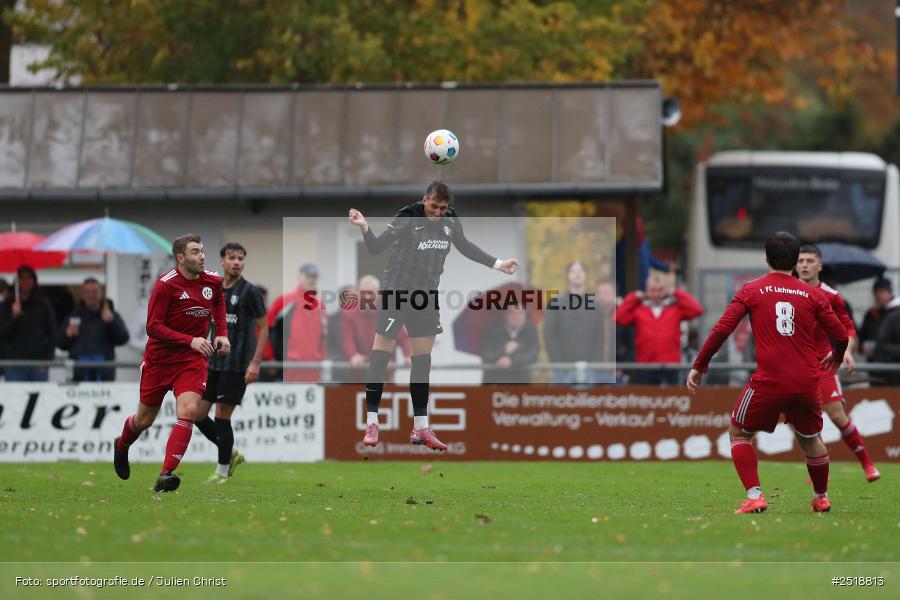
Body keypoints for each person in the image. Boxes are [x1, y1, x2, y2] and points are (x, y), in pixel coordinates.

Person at [348, 180, 519, 450]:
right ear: (425, 199)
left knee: (422, 362)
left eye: (442, 208)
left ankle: (420, 427)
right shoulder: (407, 217)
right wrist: (364, 227)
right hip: (397, 292)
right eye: (434, 206)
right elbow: (376, 248)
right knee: (381, 353)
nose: (438, 212)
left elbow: (465, 246)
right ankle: (372, 420)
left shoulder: (450, 220)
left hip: (426, 297)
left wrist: (499, 265)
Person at [687, 232, 848, 514]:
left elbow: (722, 329)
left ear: (766, 258)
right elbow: (839, 332)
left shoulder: (751, 290)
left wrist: (700, 365)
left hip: (770, 380)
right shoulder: (813, 294)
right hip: (807, 381)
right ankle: (821, 497)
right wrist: (836, 356)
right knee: (811, 440)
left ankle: (755, 495)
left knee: (738, 432)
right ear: (796, 262)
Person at [112, 234, 230, 493]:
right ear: (180, 258)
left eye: (202, 250)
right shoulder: (166, 285)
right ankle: (121, 445)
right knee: (143, 420)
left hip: (191, 361)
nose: (202, 256)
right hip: (160, 361)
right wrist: (190, 340)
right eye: (195, 252)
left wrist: (221, 332)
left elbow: (218, 303)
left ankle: (166, 474)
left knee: (188, 410)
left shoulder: (212, 281)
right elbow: (152, 327)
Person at [796, 244, 879, 482]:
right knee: (802, 420)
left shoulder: (831, 296)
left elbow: (848, 328)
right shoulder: (787, 291)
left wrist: (848, 352)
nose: (804, 265)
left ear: (819, 266)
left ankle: (867, 463)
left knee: (836, 415)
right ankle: (820, 468)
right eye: (800, 261)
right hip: (795, 365)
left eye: (810, 261)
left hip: (823, 363)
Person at [193, 243, 267, 484]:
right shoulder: (214, 290)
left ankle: (222, 471)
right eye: (232, 258)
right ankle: (231, 452)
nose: (237, 262)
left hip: (237, 366)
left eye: (241, 258)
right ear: (222, 261)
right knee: (197, 414)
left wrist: (255, 362)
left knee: (222, 415)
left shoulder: (250, 292)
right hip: (213, 364)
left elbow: (264, 327)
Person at [615, 273, 704, 385]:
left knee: (673, 399)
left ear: (666, 290)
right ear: (647, 290)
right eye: (653, 290)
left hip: (670, 365)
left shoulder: (675, 308)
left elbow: (697, 309)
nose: (656, 294)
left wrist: (676, 293)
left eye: (660, 290)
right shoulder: (639, 310)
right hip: (646, 365)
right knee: (647, 399)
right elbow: (618, 317)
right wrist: (633, 297)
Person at [542, 261, 607, 385]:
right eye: (573, 271)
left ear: (586, 275)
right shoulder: (556, 302)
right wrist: (558, 364)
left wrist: (594, 364)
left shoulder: (595, 304)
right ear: (567, 275)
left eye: (581, 271)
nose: (577, 274)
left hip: (590, 369)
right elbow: (549, 336)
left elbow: (599, 338)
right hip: (562, 369)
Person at [340, 275, 411, 382]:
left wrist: (408, 355)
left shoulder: (388, 311)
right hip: (359, 374)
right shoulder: (349, 312)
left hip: (385, 375)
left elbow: (403, 336)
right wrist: (353, 355)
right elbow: (347, 337)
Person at [57, 278, 130, 382]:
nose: (91, 295)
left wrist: (112, 322)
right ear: (82, 295)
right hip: (78, 376)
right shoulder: (73, 315)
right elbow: (60, 344)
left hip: (104, 376)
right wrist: (67, 335)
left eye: (94, 292)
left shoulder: (110, 314)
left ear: (101, 294)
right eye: (87, 292)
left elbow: (124, 339)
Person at [268, 263, 327, 382]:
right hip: (289, 369)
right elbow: (266, 328)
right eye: (308, 276)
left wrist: (321, 360)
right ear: (299, 277)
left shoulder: (321, 307)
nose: (311, 280)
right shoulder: (285, 302)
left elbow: (324, 337)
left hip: (313, 371)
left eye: (314, 277)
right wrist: (270, 357)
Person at [0, 266, 57, 381]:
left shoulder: (43, 304)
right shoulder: (6, 305)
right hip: (13, 365)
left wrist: (48, 361)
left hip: (38, 364)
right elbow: (2, 334)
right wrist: (14, 318)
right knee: (14, 398)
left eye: (29, 278)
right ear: (16, 281)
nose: (25, 281)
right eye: (22, 278)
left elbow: (52, 333)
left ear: (34, 281)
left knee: (41, 398)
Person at [480, 303, 540, 384]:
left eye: (521, 313)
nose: (517, 316)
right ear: (505, 314)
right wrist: (503, 350)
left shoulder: (530, 330)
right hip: (495, 381)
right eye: (513, 313)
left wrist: (512, 362)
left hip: (521, 381)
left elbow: (533, 354)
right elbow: (485, 355)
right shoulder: (492, 331)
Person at [859, 277, 900, 361]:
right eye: (876, 292)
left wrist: (879, 348)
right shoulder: (870, 314)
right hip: (874, 363)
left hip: (894, 365)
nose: (878, 296)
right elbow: (862, 336)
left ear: (889, 292)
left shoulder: (897, 314)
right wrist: (862, 346)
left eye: (882, 292)